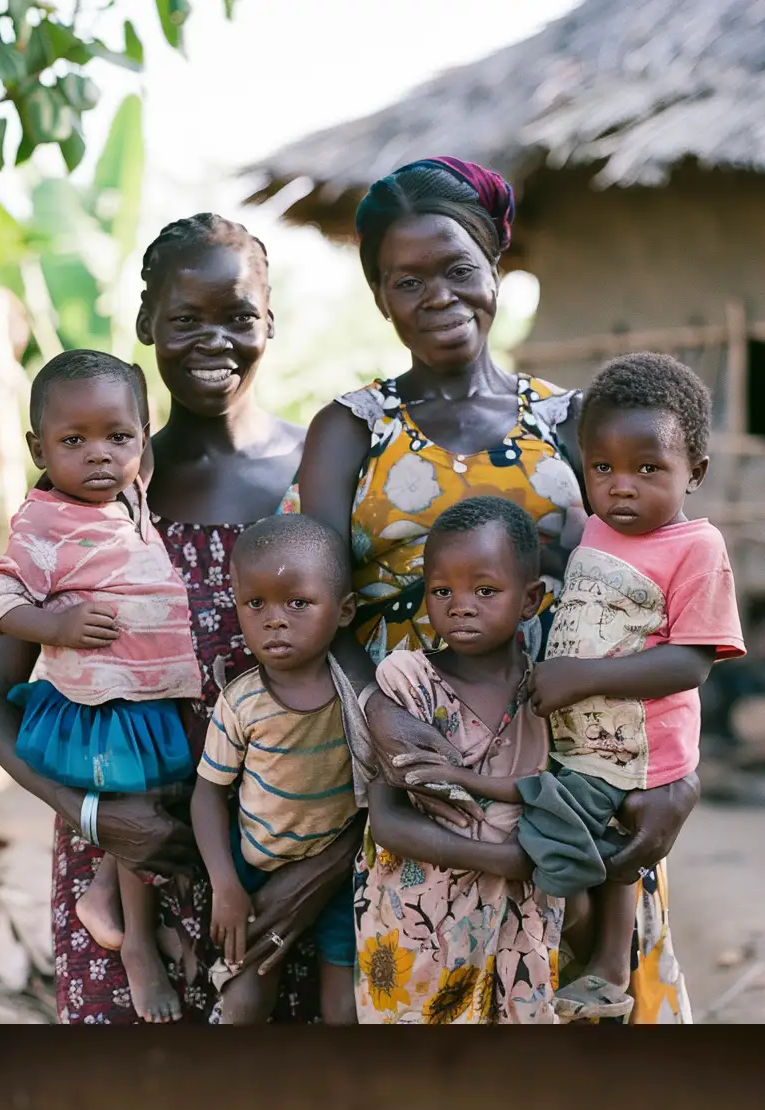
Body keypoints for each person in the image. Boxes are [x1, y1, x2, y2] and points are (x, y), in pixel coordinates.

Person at [298, 156, 693, 1023]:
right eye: (408, 280)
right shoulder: (349, 429)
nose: (438, 296)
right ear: (381, 298)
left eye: (459, 270)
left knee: (588, 1008)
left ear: (498, 273)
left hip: (581, 753)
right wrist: (378, 711)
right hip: (429, 767)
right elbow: (314, 600)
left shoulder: (575, 422)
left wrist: (674, 775)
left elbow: (661, 596)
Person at [0, 214, 337, 1023]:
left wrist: (328, 858)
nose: (215, 340)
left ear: (270, 323)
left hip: (285, 860)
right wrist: (98, 819)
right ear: (147, 326)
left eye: (239, 316)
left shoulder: (320, 476)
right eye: (185, 319)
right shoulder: (91, 490)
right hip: (129, 841)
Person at [0, 351, 204, 1020]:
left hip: (151, 695)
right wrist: (55, 623)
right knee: (138, 801)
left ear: (142, 438)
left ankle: (106, 887)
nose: (99, 455)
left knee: (167, 796)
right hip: (105, 704)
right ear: (38, 449)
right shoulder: (43, 521)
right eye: (74, 442)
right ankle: (137, 944)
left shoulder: (130, 493)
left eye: (118, 437)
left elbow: (135, 450)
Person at [524, 355, 743, 1022]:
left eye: (648, 469)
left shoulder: (695, 549)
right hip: (583, 737)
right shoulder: (596, 527)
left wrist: (581, 677)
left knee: (570, 852)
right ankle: (608, 973)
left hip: (640, 748)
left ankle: (600, 969)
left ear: (694, 474)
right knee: (610, 857)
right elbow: (581, 562)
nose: (621, 487)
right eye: (603, 469)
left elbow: (690, 664)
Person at [357, 499, 560, 1024]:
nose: (461, 605)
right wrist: (503, 860)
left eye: (485, 591)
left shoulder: (547, 693)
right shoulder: (407, 683)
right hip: (417, 926)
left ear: (530, 600)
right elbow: (386, 820)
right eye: (442, 591)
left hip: (523, 923)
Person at [192, 515, 362, 1024]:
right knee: (244, 1000)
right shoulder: (241, 702)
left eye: (298, 603)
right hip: (253, 867)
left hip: (340, 872)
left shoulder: (359, 696)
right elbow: (207, 795)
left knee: (346, 1011)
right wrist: (225, 884)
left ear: (344, 610)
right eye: (255, 603)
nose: (274, 620)